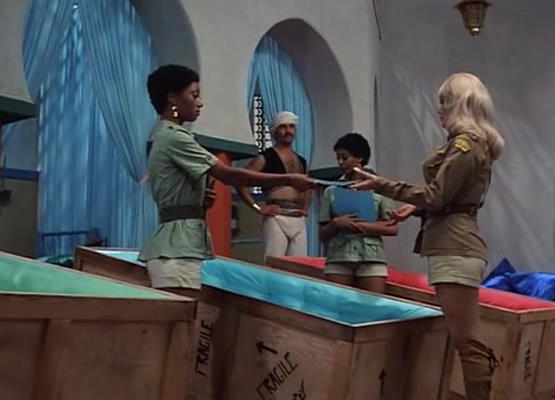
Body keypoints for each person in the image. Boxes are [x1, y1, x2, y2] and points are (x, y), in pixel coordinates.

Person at [351, 72, 504, 399]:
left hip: (455, 246)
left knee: (467, 340)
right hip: (452, 242)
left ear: (460, 103)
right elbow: (447, 198)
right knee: (465, 338)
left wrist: (381, 185)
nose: (439, 109)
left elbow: (436, 196)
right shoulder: (466, 143)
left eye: (444, 102)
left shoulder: (465, 144)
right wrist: (414, 208)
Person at [138, 65, 314, 299]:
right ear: (172, 97)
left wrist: (198, 200)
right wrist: (288, 179)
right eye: (194, 95)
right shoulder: (173, 137)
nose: (200, 103)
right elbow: (229, 175)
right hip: (175, 246)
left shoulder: (172, 135)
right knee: (182, 316)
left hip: (185, 241)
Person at [318, 133, 399, 293]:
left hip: (371, 256)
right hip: (338, 256)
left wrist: (359, 225)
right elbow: (322, 234)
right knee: (337, 303)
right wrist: (335, 224)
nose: (340, 162)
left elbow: (392, 228)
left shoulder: (380, 188)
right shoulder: (331, 190)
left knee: (372, 304)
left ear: (359, 158)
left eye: (345, 157)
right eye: (338, 158)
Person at [234, 111, 311, 258]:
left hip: (298, 217)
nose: (288, 131)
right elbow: (240, 180)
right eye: (283, 127)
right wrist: (258, 207)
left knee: (300, 265)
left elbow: (308, 186)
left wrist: (305, 208)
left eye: (291, 127)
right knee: (274, 261)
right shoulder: (265, 158)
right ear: (275, 131)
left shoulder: (301, 160)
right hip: (276, 215)